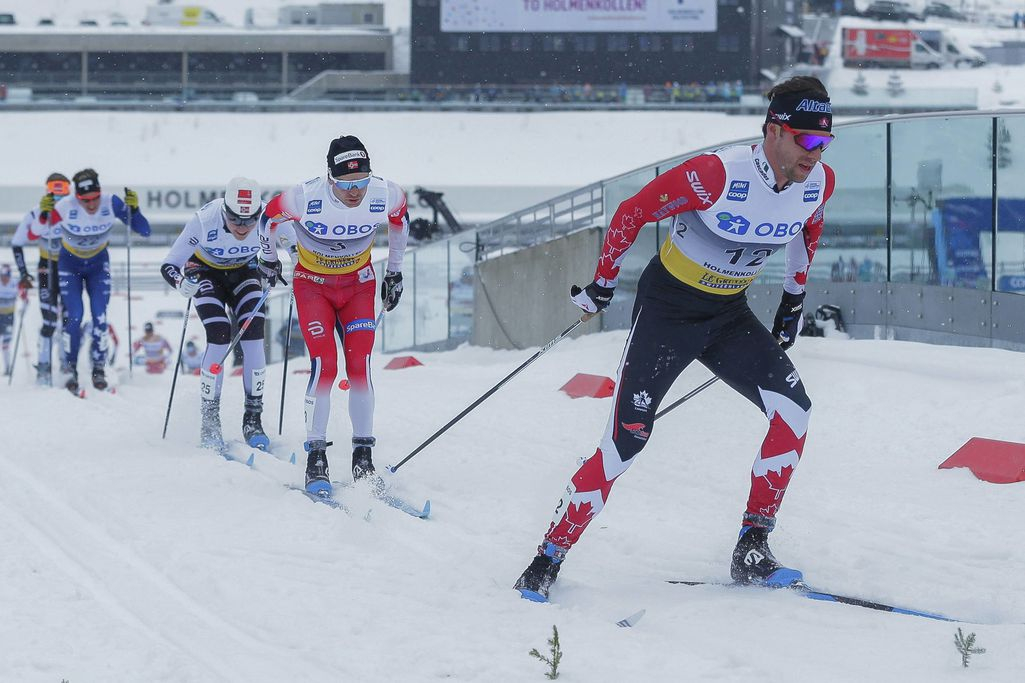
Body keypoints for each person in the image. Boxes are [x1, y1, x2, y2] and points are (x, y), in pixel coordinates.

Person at [514, 76, 837, 602]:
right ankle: (547, 557)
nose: (815, 153)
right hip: (669, 311)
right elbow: (631, 212)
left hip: (728, 314)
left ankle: (752, 547)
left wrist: (793, 302)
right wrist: (602, 282)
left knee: (794, 410)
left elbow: (809, 229)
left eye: (825, 142)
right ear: (774, 131)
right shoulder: (714, 174)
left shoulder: (818, 182)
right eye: (806, 140)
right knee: (628, 440)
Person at [258, 134, 409, 495]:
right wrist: (269, 258)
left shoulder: (386, 194)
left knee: (359, 366)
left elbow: (401, 224)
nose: (355, 191)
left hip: (358, 285)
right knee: (325, 365)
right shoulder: (303, 197)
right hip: (313, 286)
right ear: (329, 177)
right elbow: (267, 219)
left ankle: (362, 455)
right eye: (345, 184)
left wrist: (395, 272)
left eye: (361, 182)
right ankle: (316, 455)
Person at [160, 177, 273, 449]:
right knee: (220, 333)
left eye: (250, 221)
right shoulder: (204, 219)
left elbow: (298, 248)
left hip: (245, 272)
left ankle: (253, 419)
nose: (243, 228)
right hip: (206, 272)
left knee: (254, 331)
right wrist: (181, 283)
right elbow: (169, 265)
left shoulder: (269, 218)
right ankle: (210, 419)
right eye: (235, 220)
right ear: (224, 211)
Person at [42, 168, 150, 393]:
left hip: (98, 266)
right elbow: (38, 231)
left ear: (100, 192)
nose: (91, 205)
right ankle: (69, 367)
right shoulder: (65, 206)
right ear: (76, 196)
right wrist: (44, 214)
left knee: (100, 316)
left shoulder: (111, 202)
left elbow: (144, 230)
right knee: (74, 317)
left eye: (94, 199)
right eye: (85, 200)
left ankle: (98, 366)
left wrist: (134, 210)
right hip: (69, 265)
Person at [11, 173, 71, 386]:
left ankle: (67, 364)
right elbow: (17, 242)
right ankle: (44, 366)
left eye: (63, 194)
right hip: (46, 268)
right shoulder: (36, 213)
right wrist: (23, 273)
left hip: (68, 268)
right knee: (48, 319)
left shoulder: (74, 212)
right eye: (54, 194)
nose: (58, 200)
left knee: (68, 318)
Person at [0, 265, 24, 376]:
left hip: (9, 317)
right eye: (2, 276)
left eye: (6, 276)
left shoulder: (15, 284)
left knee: (6, 343)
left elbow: (25, 298)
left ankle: (8, 367)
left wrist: (24, 308)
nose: (4, 279)